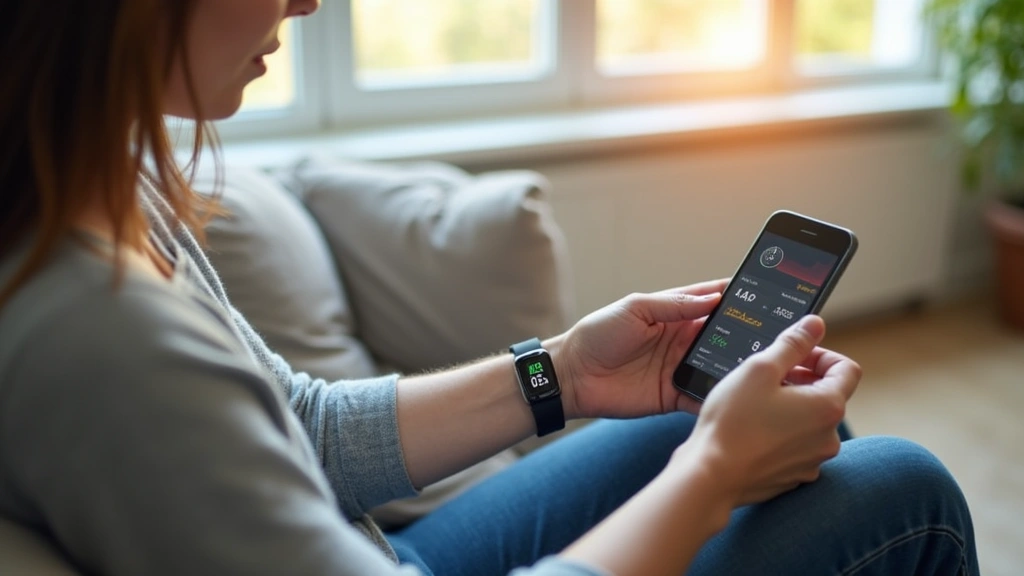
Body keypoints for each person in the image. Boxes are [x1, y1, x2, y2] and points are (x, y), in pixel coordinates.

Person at [0, 1, 978, 575]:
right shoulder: (95, 332)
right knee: (904, 488)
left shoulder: (103, 175)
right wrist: (711, 476)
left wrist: (565, 374)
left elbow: (299, 429)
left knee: (707, 411)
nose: (307, 3)